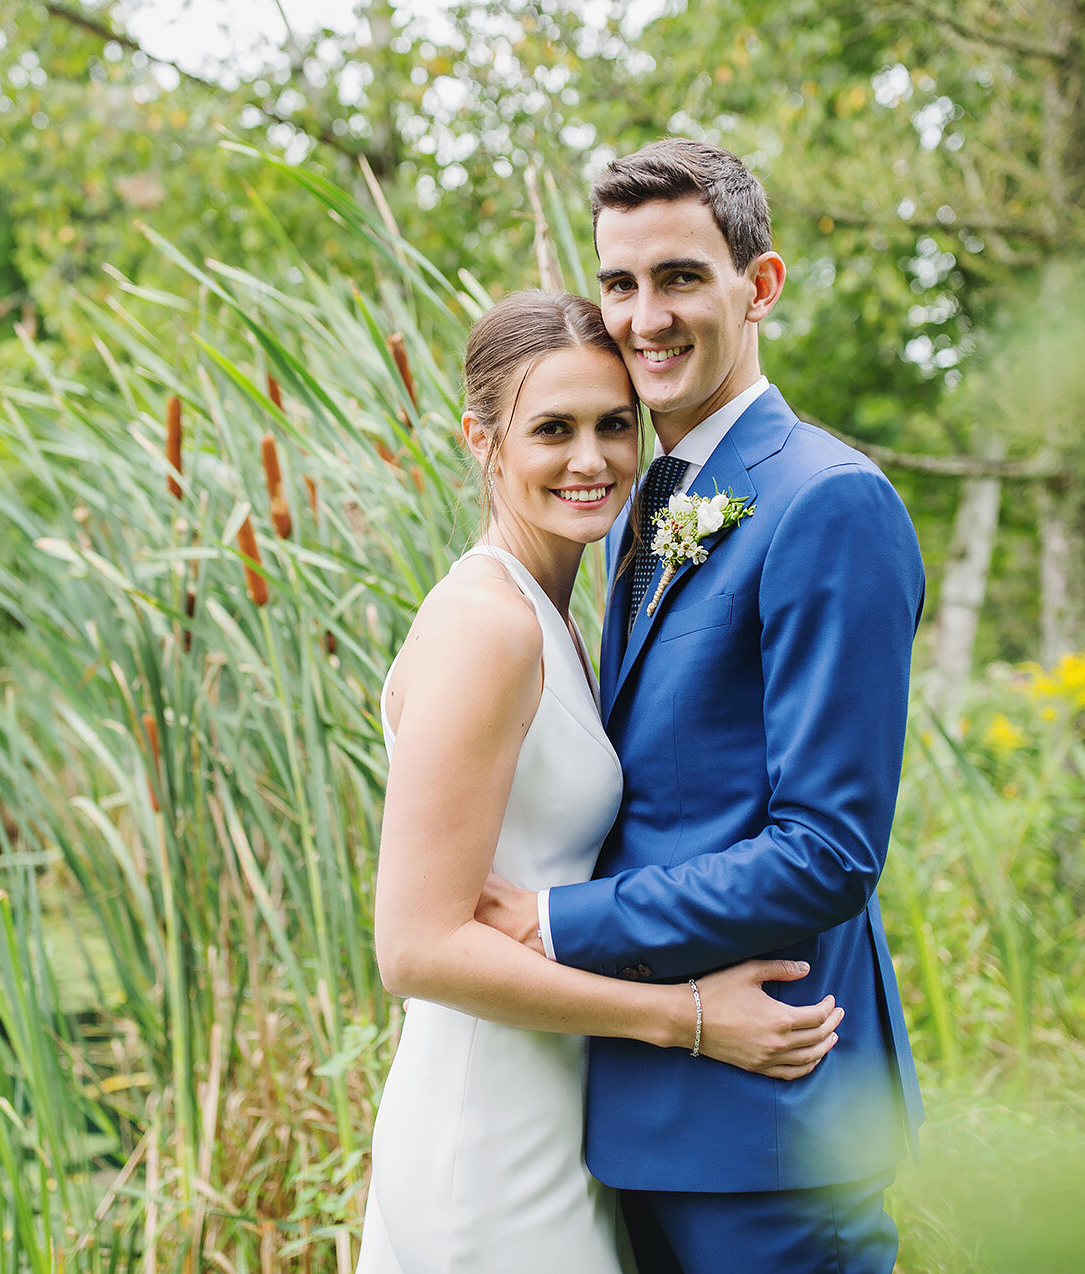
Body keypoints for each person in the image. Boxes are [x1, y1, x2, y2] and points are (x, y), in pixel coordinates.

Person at [475, 139, 927, 1274]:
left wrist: (556, 924)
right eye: (618, 285)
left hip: (774, 1120)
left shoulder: (826, 502)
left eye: (679, 277)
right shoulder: (638, 499)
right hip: (643, 1115)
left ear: (757, 286)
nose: (643, 318)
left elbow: (826, 850)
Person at [357, 289, 846, 1274]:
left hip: (560, 1100)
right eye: (552, 429)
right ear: (482, 441)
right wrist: (688, 1021)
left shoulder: (561, 612)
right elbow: (412, 949)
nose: (591, 460)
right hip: (485, 1127)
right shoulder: (486, 626)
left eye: (612, 425)